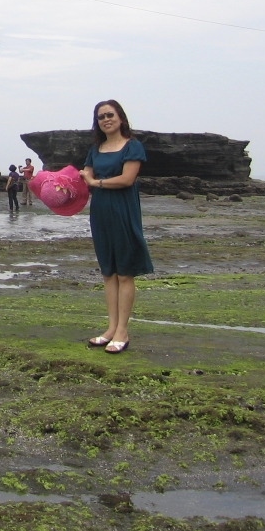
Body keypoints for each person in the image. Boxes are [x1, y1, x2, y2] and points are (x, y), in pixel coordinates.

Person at [80, 99, 152, 354]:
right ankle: (111, 328)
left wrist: (96, 182)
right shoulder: (96, 149)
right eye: (101, 117)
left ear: (121, 117)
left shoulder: (132, 146)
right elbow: (83, 176)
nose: (106, 119)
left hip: (123, 210)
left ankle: (123, 330)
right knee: (108, 272)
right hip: (100, 212)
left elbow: (126, 179)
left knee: (124, 272)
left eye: (110, 114)